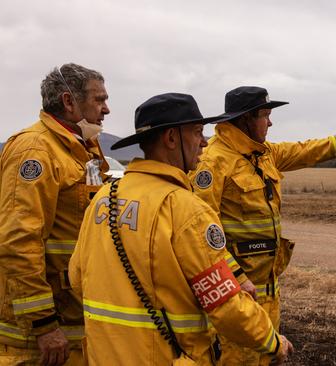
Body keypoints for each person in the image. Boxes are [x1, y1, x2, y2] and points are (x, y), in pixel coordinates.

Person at [69, 93, 293, 365]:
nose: (204, 142)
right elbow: (226, 305)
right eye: (197, 132)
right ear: (171, 139)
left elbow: (77, 278)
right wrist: (272, 342)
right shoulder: (186, 210)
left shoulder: (104, 198)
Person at [190, 86, 336, 365]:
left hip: (268, 293)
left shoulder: (264, 154)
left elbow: (307, 150)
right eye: (265, 115)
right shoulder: (213, 161)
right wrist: (236, 277)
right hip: (237, 296)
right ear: (246, 118)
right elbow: (201, 233)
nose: (270, 123)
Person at [0, 63, 110, 366]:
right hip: (39, 340)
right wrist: (42, 324)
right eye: (99, 100)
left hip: (73, 322)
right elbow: (18, 241)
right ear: (68, 101)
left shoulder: (81, 149)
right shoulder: (35, 150)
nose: (107, 109)